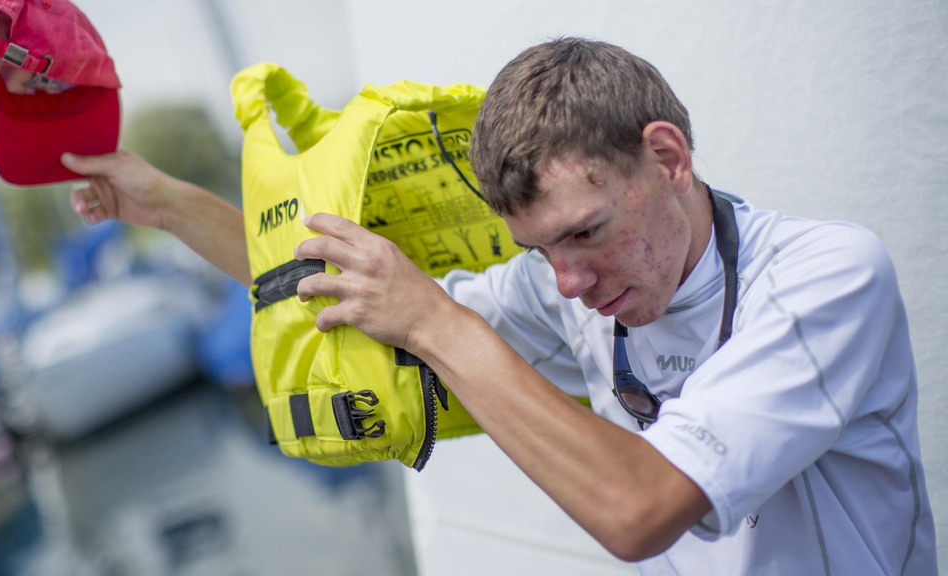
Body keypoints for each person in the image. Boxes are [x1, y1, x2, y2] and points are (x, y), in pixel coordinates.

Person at [63, 38, 936, 575]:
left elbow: (640, 511)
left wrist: (439, 325)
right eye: (539, 251)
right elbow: (340, 288)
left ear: (666, 155)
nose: (566, 283)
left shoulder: (825, 277)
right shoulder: (572, 286)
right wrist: (166, 204)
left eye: (585, 232)